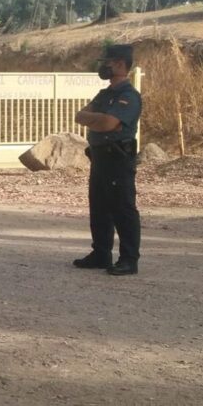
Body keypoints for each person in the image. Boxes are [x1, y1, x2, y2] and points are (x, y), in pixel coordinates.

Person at [73, 44, 143, 276]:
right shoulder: (105, 94)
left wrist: (96, 119)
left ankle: (128, 259)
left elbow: (109, 124)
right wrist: (97, 118)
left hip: (118, 158)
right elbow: (79, 115)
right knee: (99, 207)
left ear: (121, 64)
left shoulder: (129, 96)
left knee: (122, 209)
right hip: (100, 157)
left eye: (109, 62)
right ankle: (101, 253)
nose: (105, 66)